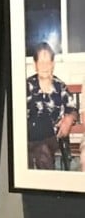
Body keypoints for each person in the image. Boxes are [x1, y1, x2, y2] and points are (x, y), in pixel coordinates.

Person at [26, 41, 77, 170]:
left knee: (42, 151)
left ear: (53, 64)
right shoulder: (26, 86)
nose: (44, 66)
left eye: (48, 62)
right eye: (41, 62)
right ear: (35, 65)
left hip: (52, 138)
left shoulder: (60, 87)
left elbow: (72, 109)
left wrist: (69, 119)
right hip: (28, 137)